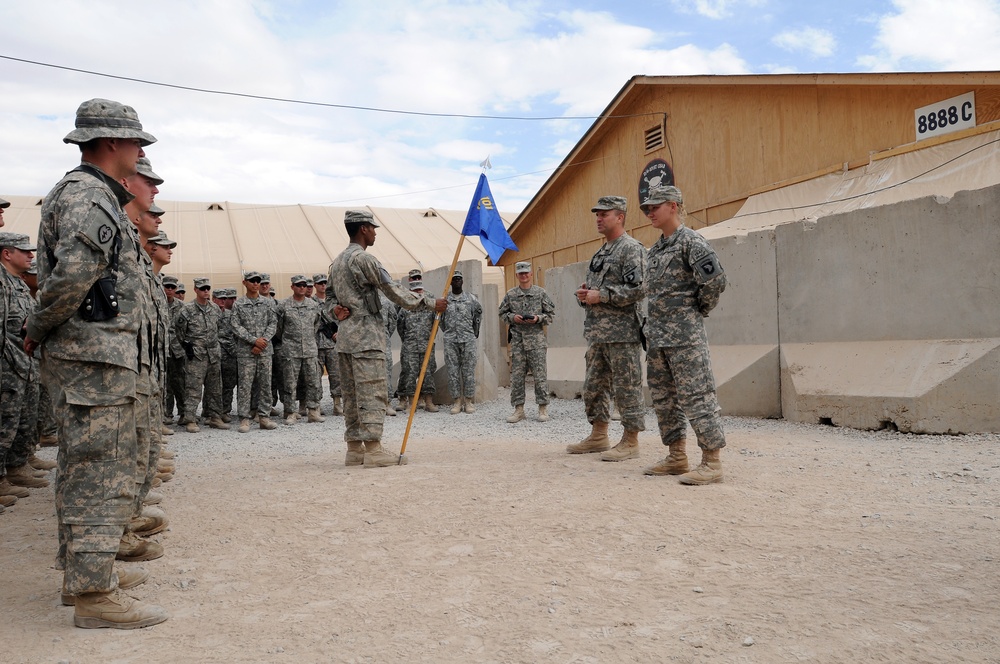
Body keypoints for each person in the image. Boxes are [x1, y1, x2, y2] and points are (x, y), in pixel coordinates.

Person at [25, 98, 168, 628]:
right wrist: (36, 326)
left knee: (88, 466)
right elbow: (69, 281)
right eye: (136, 142)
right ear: (109, 143)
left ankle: (84, 577)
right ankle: (93, 596)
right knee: (97, 471)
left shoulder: (91, 195)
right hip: (94, 358)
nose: (140, 151)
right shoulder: (89, 198)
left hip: (99, 357)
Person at [326, 210, 447, 467]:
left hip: (346, 340)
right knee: (371, 393)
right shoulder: (364, 260)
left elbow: (327, 299)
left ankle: (354, 450)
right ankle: (373, 450)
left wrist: (333, 311)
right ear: (363, 229)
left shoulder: (336, 263)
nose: (375, 232)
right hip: (367, 339)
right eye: (373, 228)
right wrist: (429, 302)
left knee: (352, 395)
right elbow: (392, 289)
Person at [639, 185, 728, 484]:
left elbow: (714, 281)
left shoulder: (691, 241)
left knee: (697, 396)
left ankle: (712, 462)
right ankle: (676, 456)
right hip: (658, 339)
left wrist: (696, 311)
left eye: (655, 206)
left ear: (673, 206)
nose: (650, 212)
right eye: (647, 208)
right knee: (665, 399)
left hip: (685, 338)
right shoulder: (657, 250)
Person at [567, 195, 647, 461]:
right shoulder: (601, 252)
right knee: (594, 386)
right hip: (598, 334)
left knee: (627, 387)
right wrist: (585, 294)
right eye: (597, 215)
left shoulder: (630, 248)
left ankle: (631, 441)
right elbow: (595, 290)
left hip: (622, 334)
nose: (599, 219)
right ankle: (599, 435)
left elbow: (638, 289)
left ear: (620, 216)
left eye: (604, 214)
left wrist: (601, 296)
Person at [0, 233, 47, 493]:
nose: (31, 256)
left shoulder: (16, 283)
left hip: (23, 364)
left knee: (21, 420)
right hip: (8, 366)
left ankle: (18, 466)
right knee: (4, 423)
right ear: (7, 253)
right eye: (24, 251)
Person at [499, 261, 555, 423]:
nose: (524, 276)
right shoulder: (510, 295)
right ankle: (519, 409)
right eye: (520, 273)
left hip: (536, 342)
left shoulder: (540, 293)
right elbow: (502, 313)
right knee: (517, 377)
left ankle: (543, 408)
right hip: (517, 342)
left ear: (531, 274)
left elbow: (550, 314)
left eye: (526, 273)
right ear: (517, 275)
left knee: (540, 376)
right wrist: (512, 318)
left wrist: (538, 318)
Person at [175, 277, 227, 432]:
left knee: (215, 388)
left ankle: (215, 417)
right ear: (195, 290)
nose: (205, 291)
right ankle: (190, 419)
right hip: (196, 356)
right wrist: (187, 345)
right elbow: (178, 331)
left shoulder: (215, 309)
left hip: (213, 354)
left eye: (207, 289)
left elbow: (219, 328)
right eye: (202, 289)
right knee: (193, 388)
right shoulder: (187, 310)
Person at [231, 271, 278, 433]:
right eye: (252, 281)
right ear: (245, 283)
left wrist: (262, 341)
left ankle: (264, 417)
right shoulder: (239, 304)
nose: (256, 284)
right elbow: (236, 326)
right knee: (245, 385)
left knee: (266, 384)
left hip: (264, 351)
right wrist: (253, 340)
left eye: (258, 281)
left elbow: (273, 323)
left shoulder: (268, 303)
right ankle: (244, 418)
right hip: (246, 352)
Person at [277, 275, 323, 424]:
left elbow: (316, 325)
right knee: (290, 383)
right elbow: (279, 329)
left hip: (310, 349)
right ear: (292, 287)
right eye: (298, 285)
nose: (302, 287)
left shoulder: (313, 305)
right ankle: (290, 412)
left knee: (313, 382)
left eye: (304, 285)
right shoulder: (283, 306)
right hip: (291, 350)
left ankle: (313, 411)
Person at [440, 270, 482, 414]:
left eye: (459, 279)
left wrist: (473, 333)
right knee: (452, 371)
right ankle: (457, 401)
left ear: (463, 281)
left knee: (468, 371)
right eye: (454, 279)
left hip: (468, 339)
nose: (457, 281)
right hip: (451, 340)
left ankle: (468, 401)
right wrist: (449, 332)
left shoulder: (471, 299)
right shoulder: (445, 300)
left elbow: (477, 317)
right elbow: (440, 321)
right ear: (451, 282)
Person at [396, 280, 439, 413]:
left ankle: (428, 402)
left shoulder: (430, 308)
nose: (418, 293)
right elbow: (400, 328)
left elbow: (435, 326)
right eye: (415, 291)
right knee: (410, 373)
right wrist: (409, 341)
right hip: (410, 346)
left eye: (420, 290)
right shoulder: (405, 309)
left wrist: (428, 340)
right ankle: (411, 403)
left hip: (426, 345)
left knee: (428, 373)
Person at [312, 273, 341, 416]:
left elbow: (343, 319)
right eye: (320, 283)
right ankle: (316, 405)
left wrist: (339, 333)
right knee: (315, 377)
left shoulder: (334, 301)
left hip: (333, 344)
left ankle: (337, 403)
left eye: (325, 283)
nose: (323, 285)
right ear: (315, 285)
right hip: (317, 345)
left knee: (336, 375)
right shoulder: (310, 302)